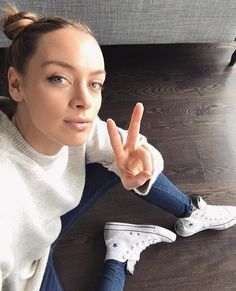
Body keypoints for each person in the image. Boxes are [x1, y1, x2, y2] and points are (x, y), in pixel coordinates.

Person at [0, 4, 235, 291]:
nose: (84, 100)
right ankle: (119, 258)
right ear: (16, 84)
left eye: (95, 83)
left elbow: (129, 147)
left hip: (43, 226)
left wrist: (144, 164)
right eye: (58, 78)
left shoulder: (65, 122)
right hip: (27, 274)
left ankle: (191, 212)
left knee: (124, 160)